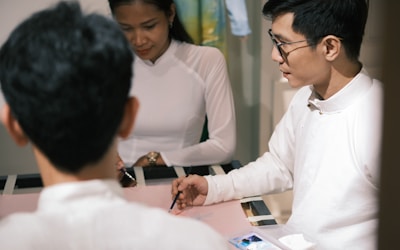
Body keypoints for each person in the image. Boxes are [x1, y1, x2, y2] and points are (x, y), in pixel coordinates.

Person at [0, 2, 229, 249]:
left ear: (14, 125)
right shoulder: (199, 242)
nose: (139, 39)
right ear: (129, 116)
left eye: (148, 25)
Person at [172, 0, 383, 249]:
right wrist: (214, 187)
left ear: (329, 47)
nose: (274, 55)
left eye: (283, 44)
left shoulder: (379, 119)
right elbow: (280, 165)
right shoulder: (306, 97)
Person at [108, 0, 236, 168]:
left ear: (170, 14)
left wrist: (153, 159)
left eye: (149, 26)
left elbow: (224, 147)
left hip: (181, 186)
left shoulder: (206, 60)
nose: (138, 40)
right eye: (126, 28)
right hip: (116, 183)